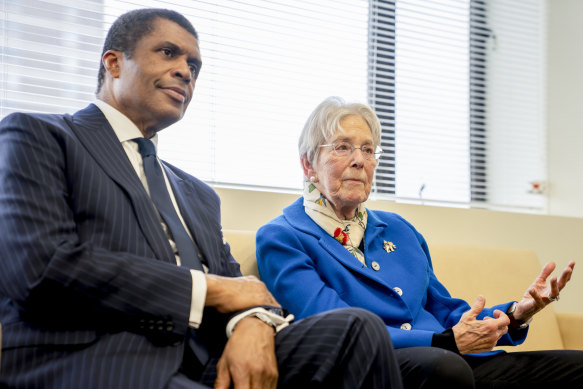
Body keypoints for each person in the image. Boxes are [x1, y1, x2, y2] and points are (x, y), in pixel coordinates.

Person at [0, 10, 404, 389]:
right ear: (113, 63)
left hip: (209, 357)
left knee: (357, 330)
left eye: (194, 66)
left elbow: (243, 287)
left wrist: (253, 323)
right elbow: (41, 269)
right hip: (102, 358)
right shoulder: (39, 136)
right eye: (168, 53)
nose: (185, 72)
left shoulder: (195, 193)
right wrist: (210, 291)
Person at [256, 96, 583, 389]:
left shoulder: (399, 229)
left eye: (368, 150)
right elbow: (340, 328)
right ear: (308, 164)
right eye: (343, 147)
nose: (359, 160)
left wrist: (515, 314)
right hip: (375, 368)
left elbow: (445, 310)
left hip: (447, 358)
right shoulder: (283, 237)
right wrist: (445, 342)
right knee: (447, 368)